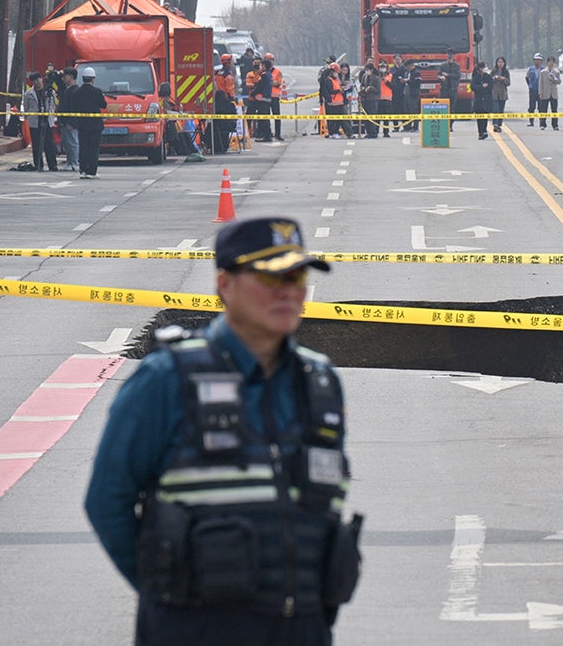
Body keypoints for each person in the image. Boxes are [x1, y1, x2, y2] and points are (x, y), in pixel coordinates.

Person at [85, 216, 363, 645]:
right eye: (270, 276)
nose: (288, 290)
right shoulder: (168, 379)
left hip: (303, 628)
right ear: (224, 285)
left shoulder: (319, 382)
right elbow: (107, 502)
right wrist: (167, 592)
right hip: (197, 629)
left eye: (297, 275)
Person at [66, 66, 107, 178]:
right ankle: (92, 171)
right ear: (93, 79)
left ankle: (83, 170)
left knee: (83, 147)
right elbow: (103, 105)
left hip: (82, 125)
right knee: (93, 148)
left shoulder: (77, 93)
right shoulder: (97, 92)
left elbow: (73, 108)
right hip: (95, 126)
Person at [23, 71, 59, 171]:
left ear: (41, 79)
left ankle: (53, 165)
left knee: (49, 144)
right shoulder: (28, 94)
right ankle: (38, 165)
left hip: (47, 121)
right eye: (33, 81)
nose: (36, 82)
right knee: (36, 144)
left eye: (37, 79)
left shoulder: (50, 91)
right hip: (35, 122)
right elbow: (26, 107)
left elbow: (53, 105)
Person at [56, 67, 80, 172]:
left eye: (65, 76)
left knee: (72, 142)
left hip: (70, 122)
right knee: (67, 143)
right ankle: (69, 161)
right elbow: (59, 85)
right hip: (64, 121)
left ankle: (74, 162)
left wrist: (72, 122)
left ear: (71, 76)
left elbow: (75, 108)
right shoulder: (67, 89)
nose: (63, 78)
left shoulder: (75, 90)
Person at [437, 48, 462, 131]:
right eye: (448, 54)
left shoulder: (456, 65)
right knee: (443, 107)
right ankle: (444, 124)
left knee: (452, 108)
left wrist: (448, 75)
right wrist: (441, 77)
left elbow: (458, 76)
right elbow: (438, 75)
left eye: (451, 54)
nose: (449, 55)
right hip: (444, 89)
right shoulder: (442, 65)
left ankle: (450, 125)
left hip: (453, 89)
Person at [250, 60, 274, 142]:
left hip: (263, 100)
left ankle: (266, 136)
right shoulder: (269, 75)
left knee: (264, 119)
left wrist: (253, 93)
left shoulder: (264, 75)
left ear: (264, 66)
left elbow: (259, 87)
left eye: (262, 65)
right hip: (267, 99)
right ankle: (267, 135)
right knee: (265, 118)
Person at [359, 59, 382, 139]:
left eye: (368, 70)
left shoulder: (376, 78)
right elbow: (361, 85)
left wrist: (371, 88)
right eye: (366, 70)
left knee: (372, 116)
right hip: (365, 98)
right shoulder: (364, 76)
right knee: (366, 117)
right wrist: (363, 89)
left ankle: (373, 133)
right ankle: (368, 132)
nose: (367, 71)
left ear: (372, 70)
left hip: (373, 99)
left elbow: (378, 91)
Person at [265, 53, 286, 141]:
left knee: (277, 116)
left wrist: (268, 83)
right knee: (265, 117)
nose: (271, 62)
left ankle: (278, 134)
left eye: (272, 60)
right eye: (269, 60)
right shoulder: (263, 72)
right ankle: (268, 134)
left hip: (275, 97)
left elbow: (278, 83)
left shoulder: (277, 71)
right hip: (265, 97)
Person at [537, 56, 561, 130]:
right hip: (545, 92)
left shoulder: (556, 72)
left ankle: (555, 124)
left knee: (554, 110)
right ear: (547, 63)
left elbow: (559, 82)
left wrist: (554, 78)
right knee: (543, 109)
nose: (551, 63)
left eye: (552, 62)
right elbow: (540, 83)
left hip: (553, 93)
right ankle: (542, 124)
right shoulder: (543, 72)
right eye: (549, 62)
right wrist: (540, 92)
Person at [471, 60, 493, 140]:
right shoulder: (475, 77)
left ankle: (484, 131)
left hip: (487, 99)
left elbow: (491, 86)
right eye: (484, 67)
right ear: (480, 68)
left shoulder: (488, 77)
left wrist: (486, 87)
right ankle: (480, 133)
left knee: (485, 117)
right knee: (479, 118)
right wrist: (481, 87)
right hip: (478, 100)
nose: (486, 68)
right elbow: (473, 87)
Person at [490, 56, 510, 132]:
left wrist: (503, 79)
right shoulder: (493, 71)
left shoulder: (506, 72)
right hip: (494, 93)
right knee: (495, 109)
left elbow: (508, 83)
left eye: (501, 62)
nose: (500, 64)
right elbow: (489, 80)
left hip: (502, 93)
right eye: (499, 62)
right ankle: (495, 124)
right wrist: (494, 78)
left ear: (504, 63)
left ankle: (499, 125)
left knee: (501, 110)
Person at [403, 59, 423, 132]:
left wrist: (408, 81)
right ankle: (407, 126)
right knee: (406, 110)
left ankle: (415, 126)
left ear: (411, 65)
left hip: (413, 94)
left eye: (408, 66)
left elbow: (417, 83)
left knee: (414, 110)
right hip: (406, 93)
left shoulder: (416, 73)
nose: (407, 68)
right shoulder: (406, 73)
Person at [525, 52, 543, 127]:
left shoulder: (543, 70)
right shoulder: (530, 69)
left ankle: (541, 122)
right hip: (532, 90)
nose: (537, 61)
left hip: (541, 91)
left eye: (539, 60)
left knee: (541, 107)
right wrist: (530, 85)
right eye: (536, 60)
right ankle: (531, 121)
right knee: (532, 107)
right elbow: (526, 77)